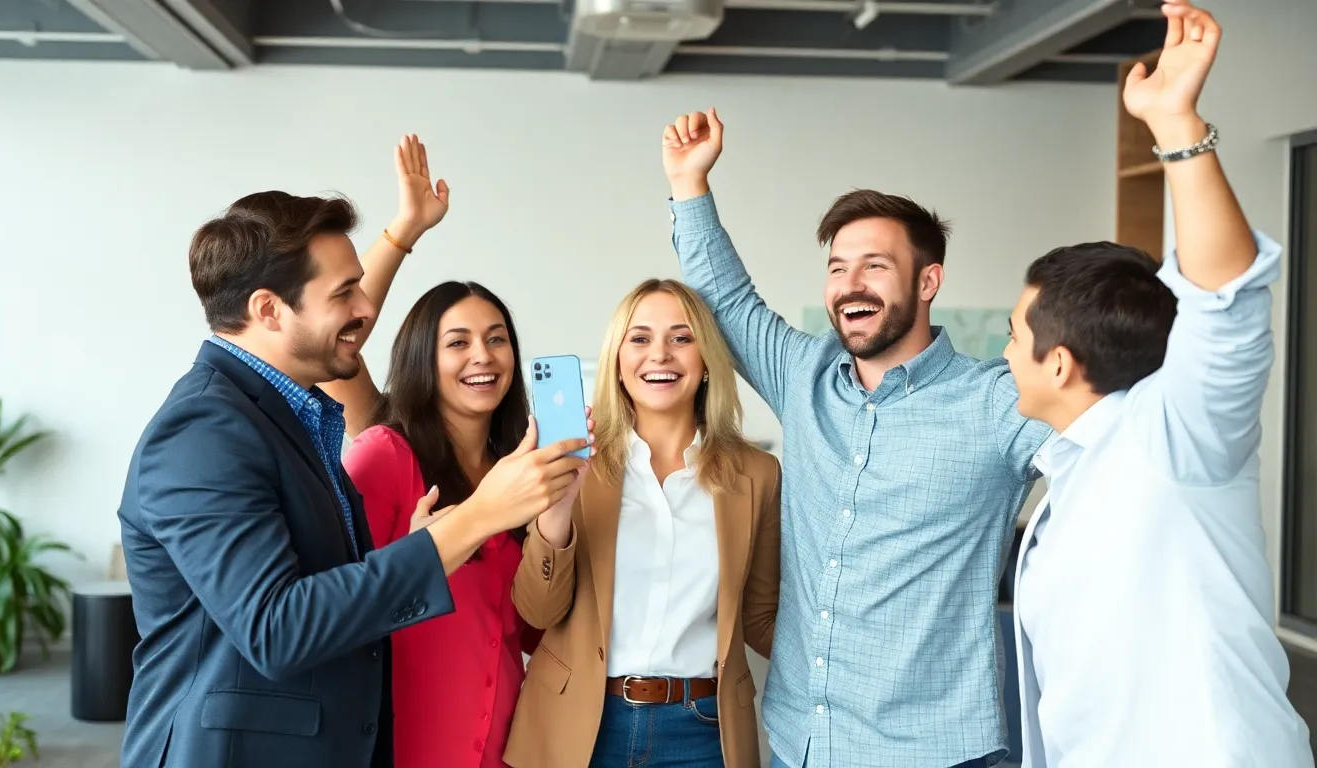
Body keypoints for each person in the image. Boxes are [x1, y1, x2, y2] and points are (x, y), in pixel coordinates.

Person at [117, 188, 589, 768]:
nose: (366, 310)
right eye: (344, 293)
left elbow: (332, 592)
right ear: (268, 310)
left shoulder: (293, 417)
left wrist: (424, 544)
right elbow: (276, 629)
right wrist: (477, 517)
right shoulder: (203, 429)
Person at [659, 111, 1050, 766]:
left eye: (874, 266)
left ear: (928, 282)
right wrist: (688, 182)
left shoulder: (996, 401)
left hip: (931, 751)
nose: (850, 285)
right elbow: (726, 300)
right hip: (799, 742)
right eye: (838, 268)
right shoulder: (804, 374)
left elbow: (1109, 442)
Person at [1004, 2, 1312, 765]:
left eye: (1014, 336)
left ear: (1060, 363)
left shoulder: (1176, 438)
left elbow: (1226, 297)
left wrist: (1177, 127)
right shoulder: (1066, 470)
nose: (1003, 354)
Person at [320, 135, 560, 767]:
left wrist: (556, 531)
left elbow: (535, 627)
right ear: (422, 357)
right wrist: (405, 230)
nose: (482, 356)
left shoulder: (523, 470)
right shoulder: (385, 453)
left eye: (497, 339)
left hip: (503, 744)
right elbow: (344, 606)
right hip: (406, 743)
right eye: (457, 342)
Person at [504, 279, 782, 768]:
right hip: (580, 725)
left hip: (702, 732)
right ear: (617, 359)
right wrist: (556, 513)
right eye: (640, 339)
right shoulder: (573, 462)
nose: (661, 355)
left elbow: (761, 619)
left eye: (681, 337)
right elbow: (537, 610)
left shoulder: (756, 474)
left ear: (707, 361)